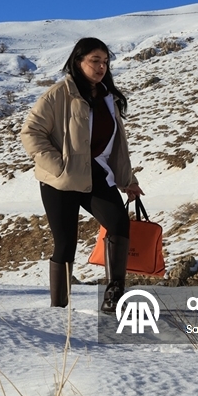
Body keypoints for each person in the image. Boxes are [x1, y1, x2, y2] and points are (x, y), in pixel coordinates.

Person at [20, 37, 144, 312]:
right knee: (65, 242)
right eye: (95, 61)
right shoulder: (57, 94)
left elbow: (118, 147)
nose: (101, 67)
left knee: (119, 223)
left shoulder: (109, 99)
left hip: (95, 174)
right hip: (59, 180)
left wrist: (128, 181)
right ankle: (59, 308)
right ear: (78, 62)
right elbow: (30, 133)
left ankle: (113, 296)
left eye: (105, 62)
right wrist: (58, 166)